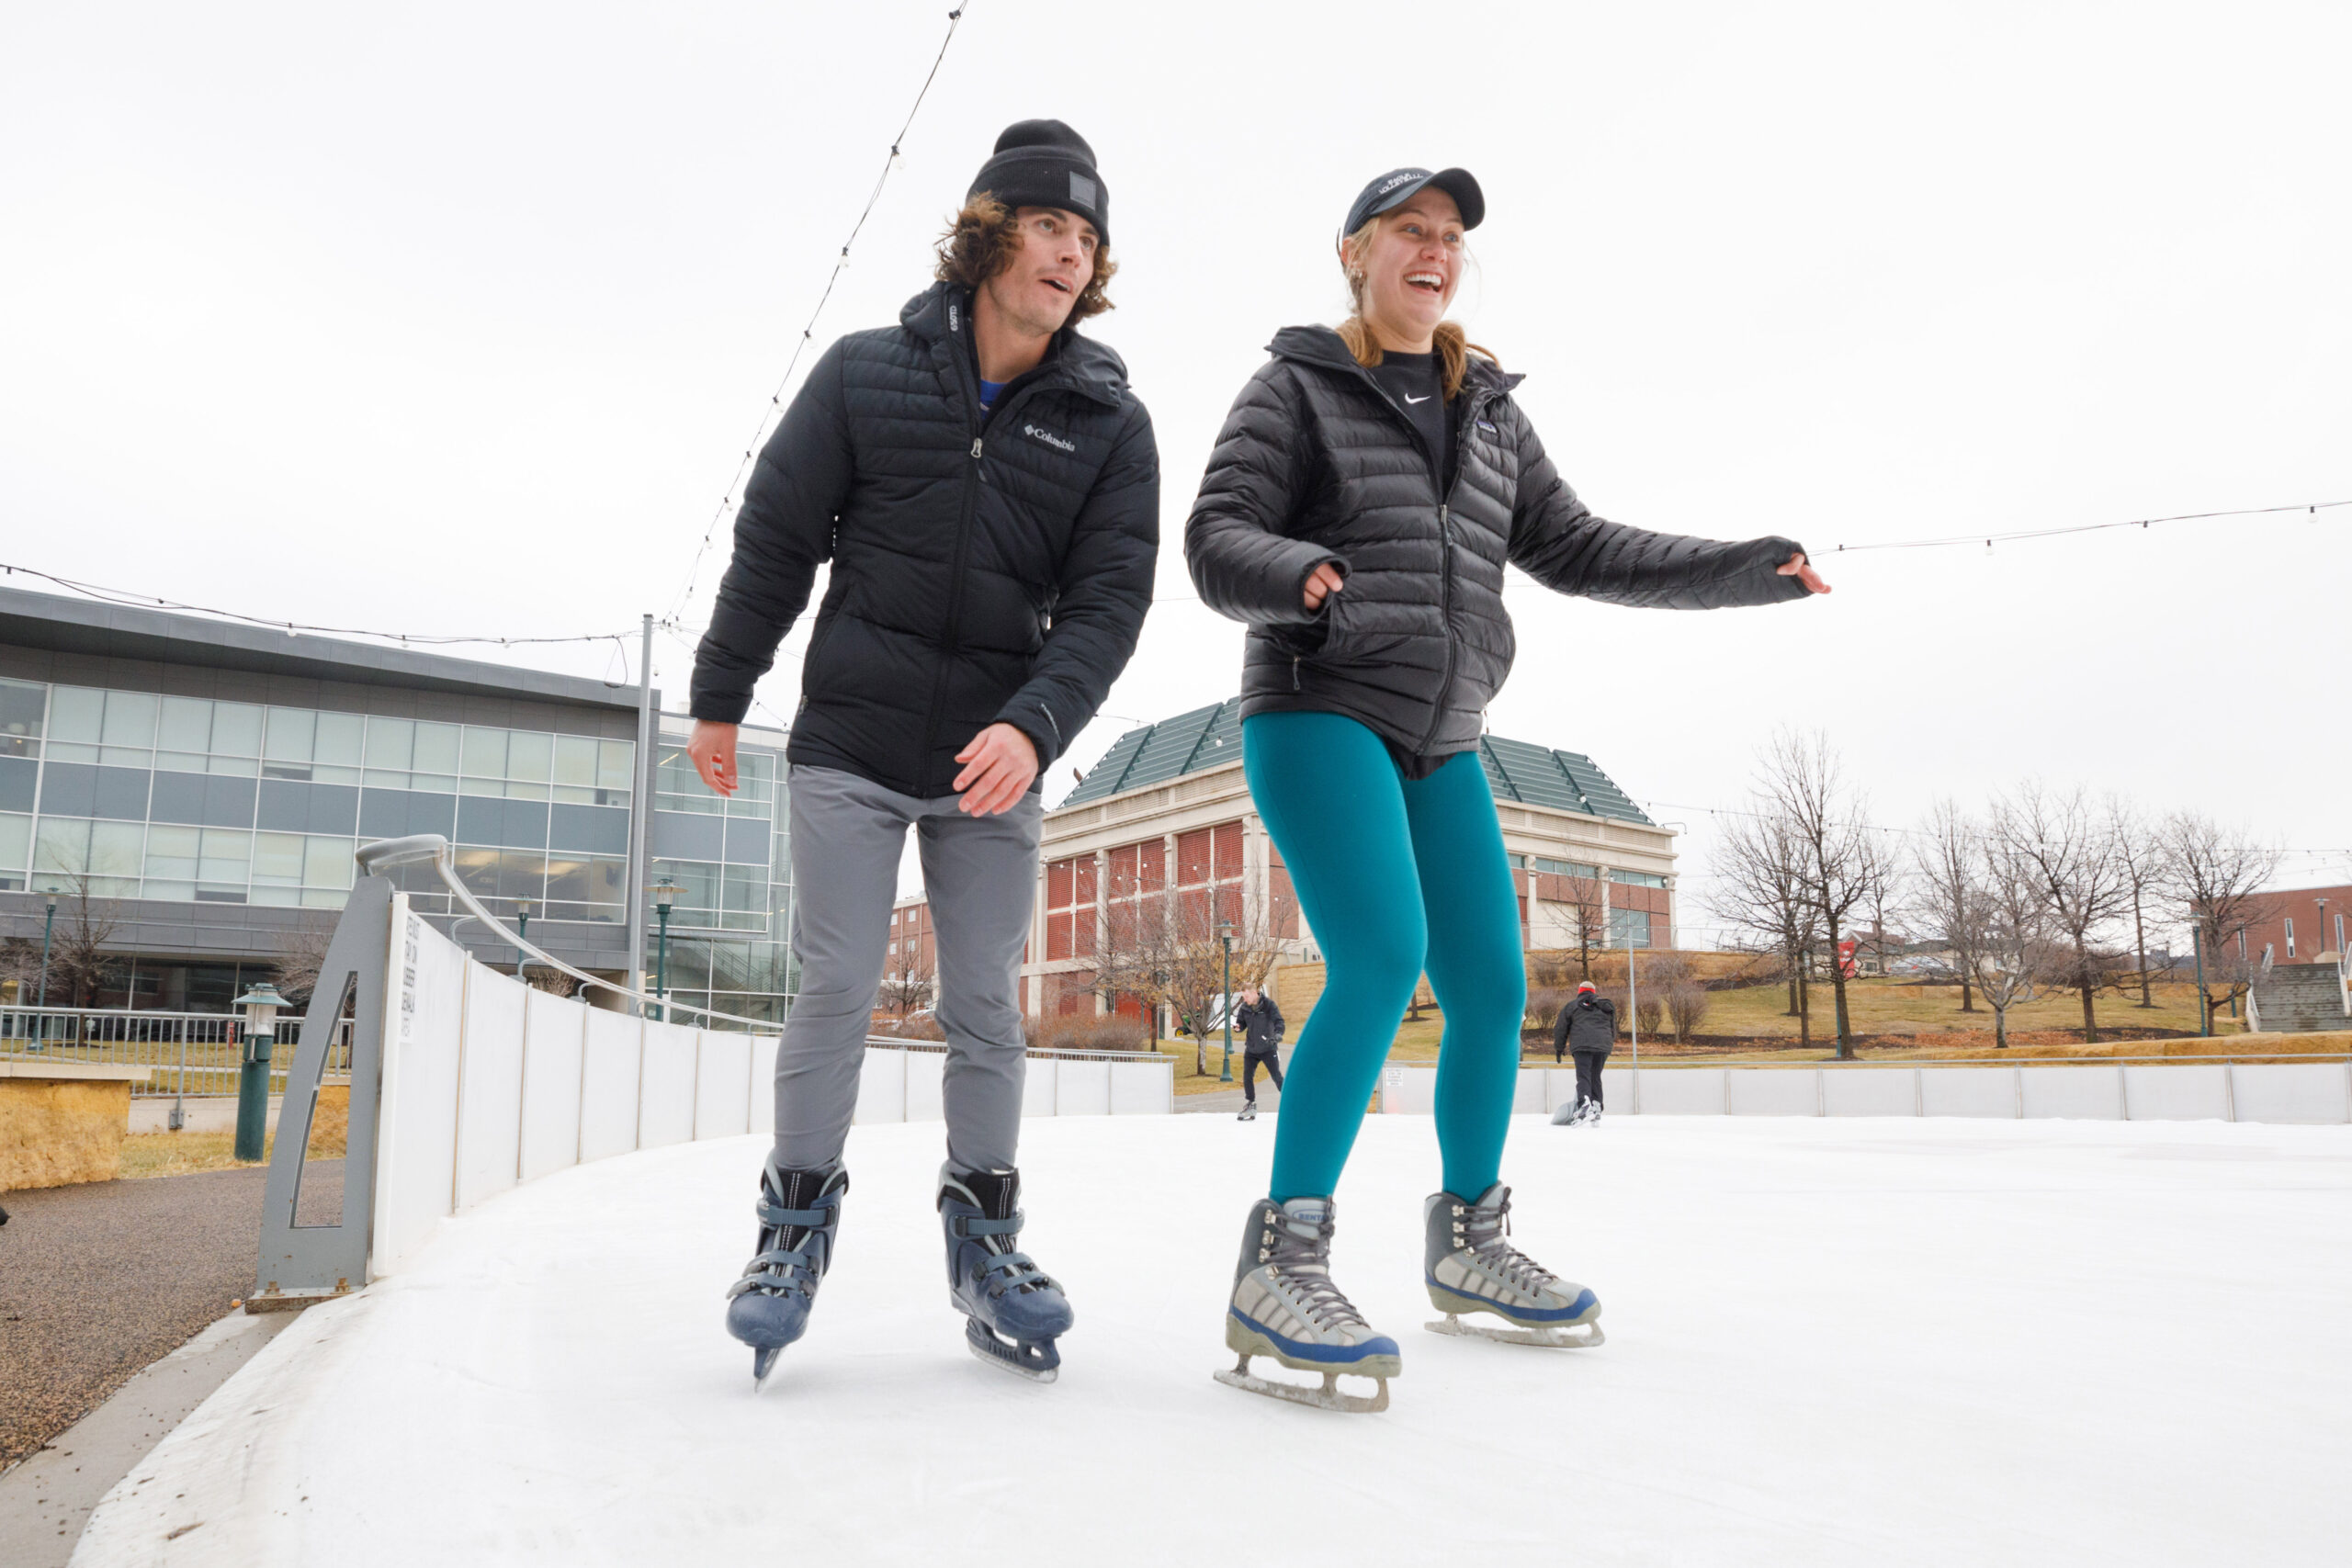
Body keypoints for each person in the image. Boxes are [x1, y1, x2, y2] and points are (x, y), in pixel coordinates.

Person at [1186, 165, 1829, 1409]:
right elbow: (1218, 537)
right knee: (1380, 957)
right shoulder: (1295, 388)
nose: (1433, 251)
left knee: (1488, 980)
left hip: (1445, 730)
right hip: (1319, 706)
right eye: (1407, 232)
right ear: (1354, 254)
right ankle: (1283, 1256)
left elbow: (1582, 546)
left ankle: (1470, 1240)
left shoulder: (1487, 412)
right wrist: (1300, 569)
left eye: (1449, 237)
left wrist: (1741, 568)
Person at [693, 120, 1159, 1387]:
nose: (1072, 252)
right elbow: (777, 537)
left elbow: (1111, 602)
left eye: (1090, 236)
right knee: (840, 978)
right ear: (990, 230)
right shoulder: (863, 372)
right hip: (848, 731)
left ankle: (986, 1234)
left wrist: (1035, 722)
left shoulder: (1110, 420)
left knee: (984, 1002)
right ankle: (790, 1228)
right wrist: (721, 691)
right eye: (1051, 225)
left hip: (990, 757)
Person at [1551, 980, 1616, 1126]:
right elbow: (1613, 1029)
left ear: (1580, 991)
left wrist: (1559, 1049)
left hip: (1582, 1045)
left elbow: (1561, 1029)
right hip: (1603, 1046)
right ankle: (1596, 1104)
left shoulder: (1572, 1006)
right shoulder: (1605, 1006)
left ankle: (1584, 1103)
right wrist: (1607, 1045)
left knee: (1583, 1076)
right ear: (1593, 992)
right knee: (1595, 1076)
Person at [1233, 983, 1285, 1121]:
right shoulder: (1244, 1007)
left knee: (1276, 1076)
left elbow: (1279, 1021)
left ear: (1254, 993)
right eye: (1243, 997)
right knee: (1247, 1076)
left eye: (1246, 996)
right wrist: (1238, 1027)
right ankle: (1251, 1104)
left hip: (1268, 1047)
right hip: (1251, 1048)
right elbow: (1241, 1023)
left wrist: (1278, 1035)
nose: (1245, 999)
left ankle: (1291, 1101)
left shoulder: (1269, 1005)